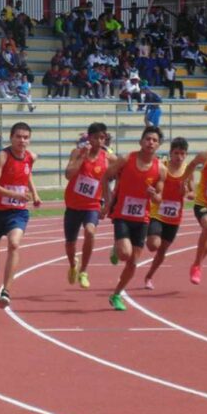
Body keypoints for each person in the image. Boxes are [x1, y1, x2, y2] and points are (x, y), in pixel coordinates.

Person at [102, 126, 166, 311]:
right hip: (122, 213)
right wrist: (107, 203)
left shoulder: (160, 169)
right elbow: (106, 177)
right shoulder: (126, 159)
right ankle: (117, 248)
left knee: (133, 262)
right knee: (125, 253)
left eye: (154, 140)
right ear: (141, 141)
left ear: (158, 145)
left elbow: (159, 199)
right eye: (148, 139)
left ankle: (116, 294)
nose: (150, 143)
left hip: (142, 217)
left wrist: (153, 195)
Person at [0, 122, 41, 308]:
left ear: (29, 140)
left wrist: (36, 194)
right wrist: (16, 194)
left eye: (25, 137)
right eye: (18, 137)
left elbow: (28, 174)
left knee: (14, 244)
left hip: (18, 211)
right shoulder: (2, 157)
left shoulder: (30, 157)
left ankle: (6, 290)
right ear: (11, 138)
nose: (22, 140)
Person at [63, 123, 111, 289]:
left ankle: (83, 270)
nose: (99, 140)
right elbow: (69, 175)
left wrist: (109, 204)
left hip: (92, 205)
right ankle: (72, 265)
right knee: (70, 244)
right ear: (89, 138)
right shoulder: (77, 153)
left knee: (90, 231)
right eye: (96, 137)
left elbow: (111, 181)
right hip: (73, 204)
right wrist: (82, 157)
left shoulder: (108, 158)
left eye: (102, 137)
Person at [143, 137, 192, 289]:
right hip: (157, 213)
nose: (179, 157)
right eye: (176, 153)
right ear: (170, 153)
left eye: (182, 154)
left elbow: (192, 193)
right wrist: (150, 189)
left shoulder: (187, 171)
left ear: (186, 155)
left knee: (162, 250)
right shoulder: (161, 167)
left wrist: (186, 193)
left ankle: (149, 276)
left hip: (174, 218)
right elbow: (150, 181)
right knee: (152, 245)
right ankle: (134, 241)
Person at [180, 127, 207, 285]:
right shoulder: (206, 157)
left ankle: (198, 263)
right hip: (203, 203)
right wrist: (183, 181)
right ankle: (197, 264)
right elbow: (191, 164)